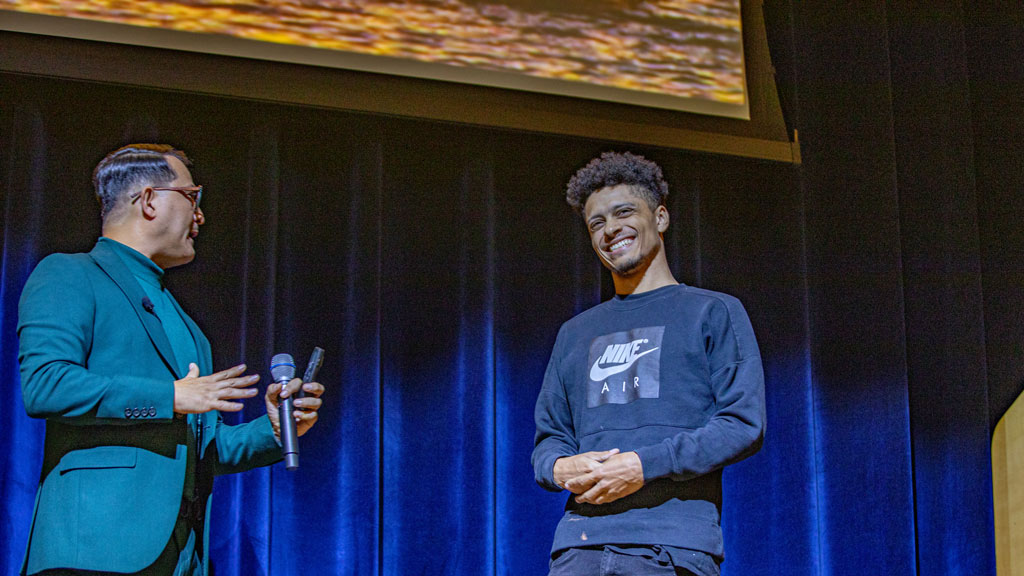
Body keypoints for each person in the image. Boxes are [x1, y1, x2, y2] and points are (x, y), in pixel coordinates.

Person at [17, 144, 325, 576]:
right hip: (93, 549)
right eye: (192, 197)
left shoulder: (188, 328)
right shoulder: (70, 273)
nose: (200, 216)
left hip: (181, 558)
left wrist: (275, 429)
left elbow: (205, 450)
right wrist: (171, 395)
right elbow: (47, 385)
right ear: (148, 200)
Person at [531, 151, 765, 576]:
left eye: (623, 212)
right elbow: (550, 440)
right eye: (596, 223)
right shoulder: (574, 333)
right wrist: (559, 467)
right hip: (578, 549)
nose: (610, 229)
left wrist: (643, 466)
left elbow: (742, 424)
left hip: (671, 548)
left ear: (660, 217)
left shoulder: (712, 312)